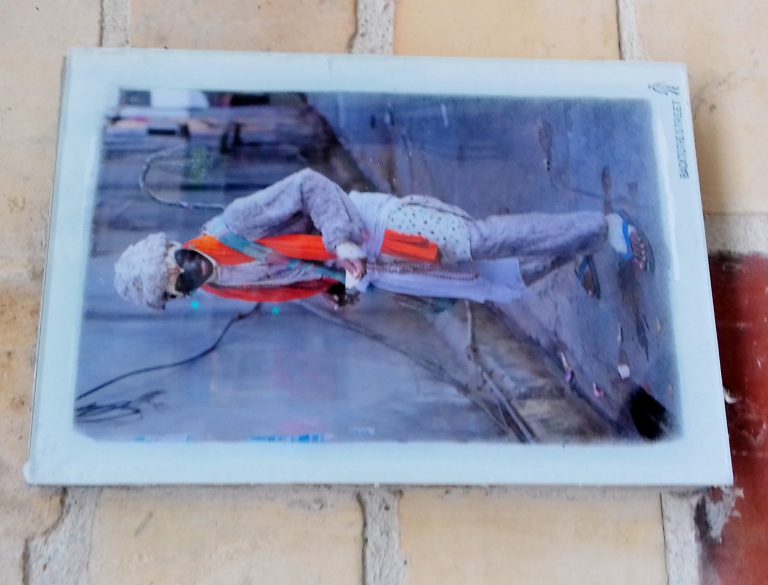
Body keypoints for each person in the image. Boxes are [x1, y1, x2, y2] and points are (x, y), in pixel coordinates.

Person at [114, 167, 651, 310]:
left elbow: (308, 185)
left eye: (178, 261)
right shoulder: (225, 286)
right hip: (371, 269)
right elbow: (300, 276)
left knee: (474, 242)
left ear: (177, 244)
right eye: (177, 284)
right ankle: (579, 245)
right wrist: (338, 287)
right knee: (498, 284)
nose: (187, 273)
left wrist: (341, 241)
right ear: (178, 296)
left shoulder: (235, 224)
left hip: (372, 226)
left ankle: (601, 227)